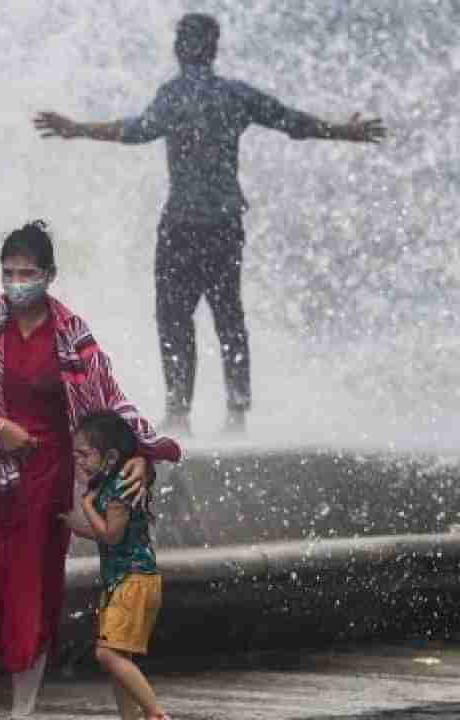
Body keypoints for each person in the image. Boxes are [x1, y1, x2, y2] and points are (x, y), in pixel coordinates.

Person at [34, 12, 386, 435]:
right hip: (224, 223)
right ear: (214, 49)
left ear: (180, 49)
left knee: (174, 318)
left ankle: (180, 414)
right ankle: (236, 416)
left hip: (182, 224)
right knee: (228, 317)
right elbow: (292, 122)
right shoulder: (234, 95)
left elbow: (136, 131)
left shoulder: (174, 95)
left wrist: (78, 129)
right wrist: (344, 132)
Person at [0, 220, 182, 719]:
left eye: (27, 272)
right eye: (8, 272)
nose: (17, 282)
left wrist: (141, 452)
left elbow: (109, 403)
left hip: (44, 477)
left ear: (50, 275)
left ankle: (24, 710)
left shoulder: (72, 335)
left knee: (29, 586)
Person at [60, 411, 169, 720]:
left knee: (107, 654)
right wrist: (70, 523)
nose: (78, 461)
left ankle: (155, 714)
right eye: (75, 454)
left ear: (109, 456)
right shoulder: (109, 485)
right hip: (124, 581)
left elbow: (110, 535)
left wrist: (85, 506)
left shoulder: (120, 487)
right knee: (120, 660)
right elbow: (103, 531)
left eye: (84, 454)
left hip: (132, 581)